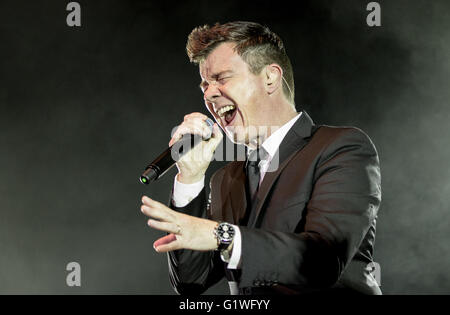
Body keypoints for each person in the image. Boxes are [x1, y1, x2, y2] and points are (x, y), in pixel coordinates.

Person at [140, 21, 382, 295]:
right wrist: (191, 178)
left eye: (221, 78)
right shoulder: (225, 179)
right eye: (204, 85)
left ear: (270, 77)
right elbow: (190, 282)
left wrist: (221, 235)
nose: (208, 93)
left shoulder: (340, 147)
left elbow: (323, 261)